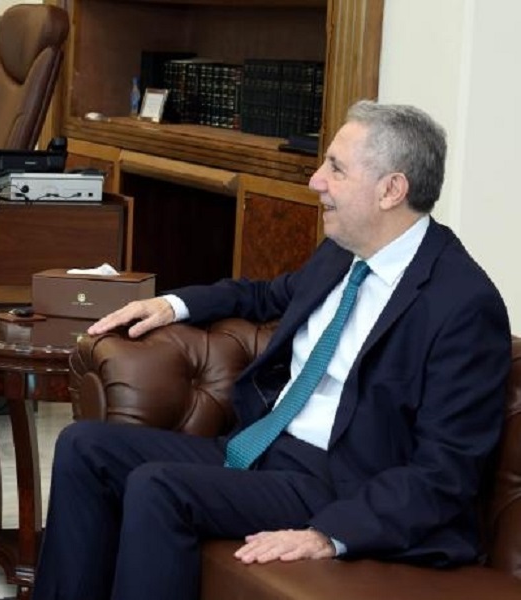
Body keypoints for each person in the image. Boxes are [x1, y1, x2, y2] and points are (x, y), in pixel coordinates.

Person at [32, 101, 512, 600]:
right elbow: (264, 295)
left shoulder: (463, 305)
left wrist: (331, 534)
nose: (316, 181)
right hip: (263, 448)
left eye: (336, 169)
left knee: (159, 488)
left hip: (338, 482)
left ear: (391, 190)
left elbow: (445, 472)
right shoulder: (343, 253)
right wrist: (171, 304)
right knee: (85, 448)